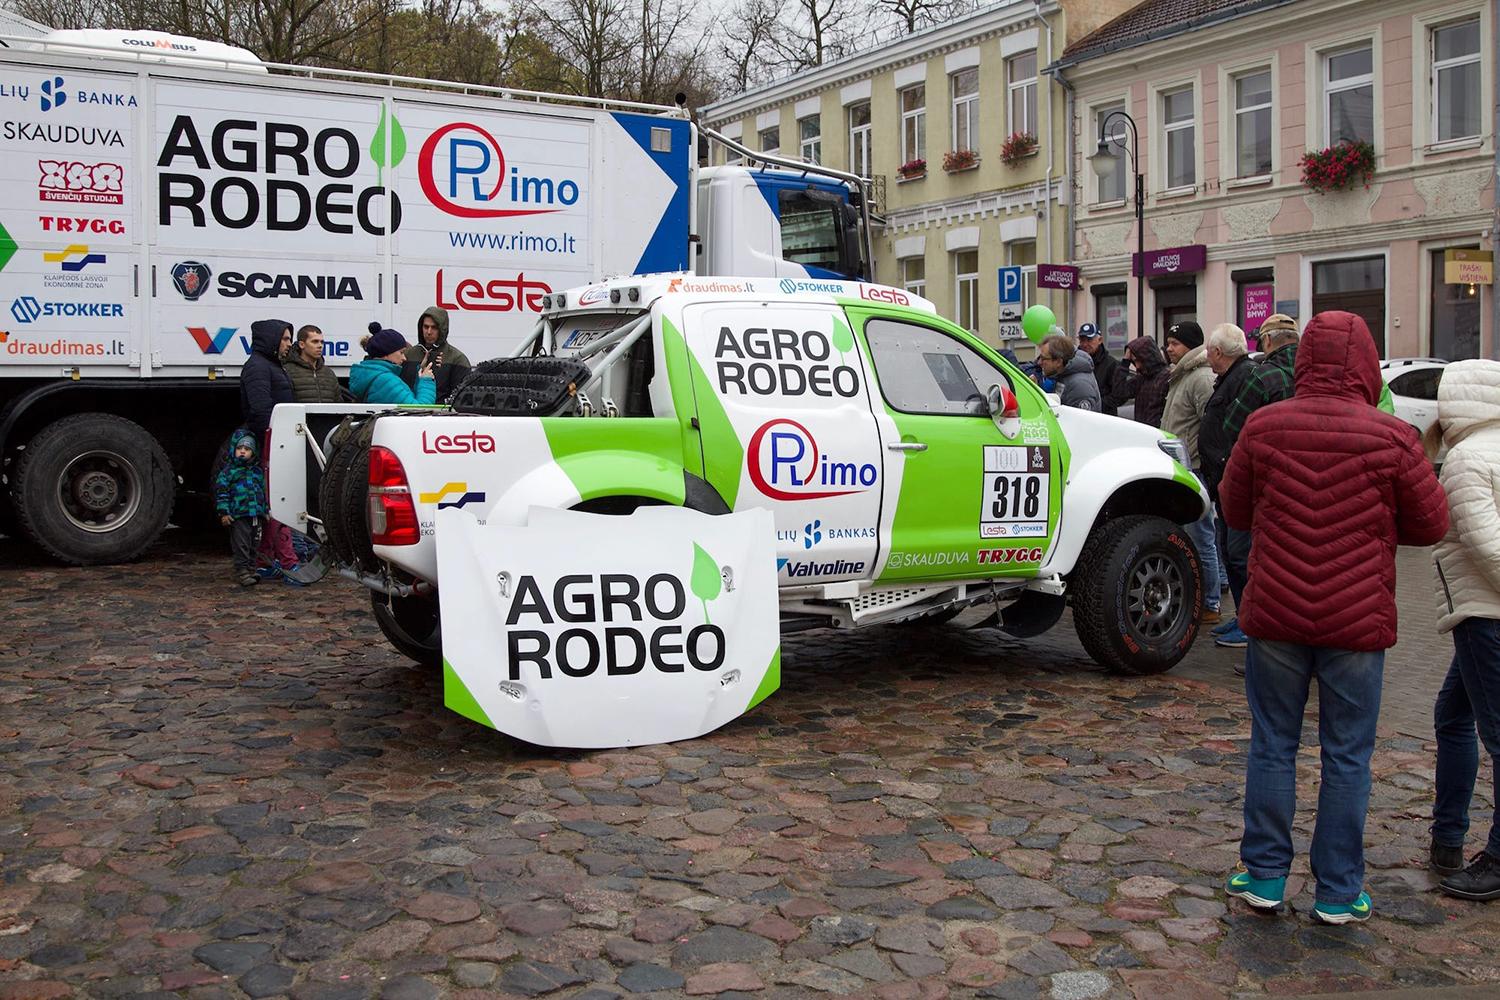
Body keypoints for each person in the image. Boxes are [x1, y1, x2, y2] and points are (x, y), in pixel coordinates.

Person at [1220, 310, 1447, 925]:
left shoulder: (1266, 427)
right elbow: (1432, 523)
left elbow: (1234, 509)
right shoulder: (1391, 437)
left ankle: (1265, 875)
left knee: (1273, 743)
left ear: (1301, 362)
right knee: (1347, 754)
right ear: (1368, 366)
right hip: (1356, 620)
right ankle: (1339, 891)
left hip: (1275, 614)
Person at [1425, 360, 1500, 901]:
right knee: (1452, 715)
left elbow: (1485, 543)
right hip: (1481, 612)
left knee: (1496, 737)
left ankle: (1496, 857)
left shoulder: (1468, 459)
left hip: (1485, 616)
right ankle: (1447, 834)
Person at [1216, 313, 1301, 653]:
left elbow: (1233, 426)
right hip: (1304, 487)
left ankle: (1254, 625)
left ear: (1267, 342)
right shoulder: (1320, 376)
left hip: (1261, 484)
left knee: (1242, 555)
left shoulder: (1262, 374)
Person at [1198, 324, 1258, 648]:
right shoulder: (1231, 376)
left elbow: (1239, 430)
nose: (1207, 357)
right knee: (1229, 549)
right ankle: (1241, 616)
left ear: (1218, 352)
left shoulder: (1244, 377)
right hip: (1223, 477)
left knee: (1238, 554)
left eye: (1209, 351)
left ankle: (1249, 622)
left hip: (1232, 477)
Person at [1161, 320, 1221, 623]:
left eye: (1175, 344)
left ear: (1190, 345)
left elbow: (1209, 426)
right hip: (1181, 467)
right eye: (1169, 343)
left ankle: (1211, 603)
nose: (1169, 349)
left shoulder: (1200, 378)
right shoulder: (1181, 375)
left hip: (1194, 469)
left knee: (1201, 539)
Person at [238, 319, 298, 576]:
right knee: (277, 505)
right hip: (271, 446)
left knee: (275, 504)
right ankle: (284, 561)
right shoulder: (258, 367)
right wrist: (274, 444)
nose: (288, 344)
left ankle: (268, 559)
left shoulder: (271, 366)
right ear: (272, 340)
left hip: (277, 444)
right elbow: (261, 409)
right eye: (284, 339)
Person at [215, 431, 269, 587]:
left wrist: (264, 510)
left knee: (254, 543)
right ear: (234, 450)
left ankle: (251, 568)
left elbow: (262, 492)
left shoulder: (257, 472)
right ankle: (242, 571)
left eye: (247, 448)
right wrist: (224, 512)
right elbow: (222, 493)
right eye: (240, 448)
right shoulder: (228, 472)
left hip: (256, 514)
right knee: (241, 544)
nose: (243, 451)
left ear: (253, 452)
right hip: (239, 515)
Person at [352, 323, 438, 405]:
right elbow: (420, 411)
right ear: (386, 353)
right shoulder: (385, 381)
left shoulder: (374, 375)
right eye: (401, 352)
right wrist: (427, 381)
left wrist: (420, 378)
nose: (404, 358)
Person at [402, 306, 471, 402]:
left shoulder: (458, 359)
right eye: (426, 327)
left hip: (443, 415)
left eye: (434, 327)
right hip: (407, 413)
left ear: (442, 329)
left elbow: (461, 400)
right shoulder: (407, 355)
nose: (429, 332)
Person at [1077, 322, 1132, 416]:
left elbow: (1119, 395)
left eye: (1089, 340)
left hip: (1104, 418)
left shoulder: (1111, 364)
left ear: (1100, 340)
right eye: (1082, 340)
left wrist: (1095, 406)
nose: (1085, 344)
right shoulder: (1074, 362)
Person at [1036, 333, 1101, 411]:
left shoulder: (1079, 386)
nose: (1039, 362)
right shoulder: (1063, 376)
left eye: (1043, 358)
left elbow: (1081, 421)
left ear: (1059, 362)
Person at [286, 324, 342, 403]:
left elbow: (338, 404)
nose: (320, 346)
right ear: (302, 344)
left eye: (322, 342)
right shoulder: (288, 371)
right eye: (315, 342)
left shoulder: (329, 373)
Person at [1124, 336, 1170, 428]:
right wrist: (1125, 362)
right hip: (1144, 433)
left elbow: (1156, 414)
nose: (1137, 366)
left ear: (1147, 357)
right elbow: (1120, 392)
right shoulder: (1141, 378)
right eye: (1133, 361)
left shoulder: (1165, 378)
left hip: (1155, 435)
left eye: (1138, 360)